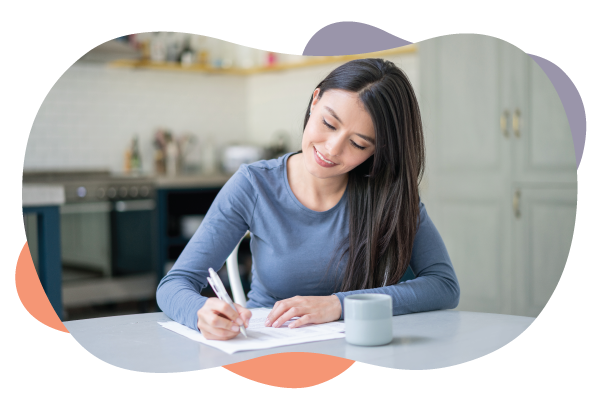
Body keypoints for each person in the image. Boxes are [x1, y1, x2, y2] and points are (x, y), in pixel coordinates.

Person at [156, 58, 460, 340]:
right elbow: (174, 284)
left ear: (377, 151)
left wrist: (339, 305)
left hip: (358, 348)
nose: (331, 149)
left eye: (357, 143)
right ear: (315, 101)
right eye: (329, 124)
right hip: (268, 344)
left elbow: (444, 286)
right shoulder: (254, 185)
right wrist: (201, 313)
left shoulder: (387, 193)